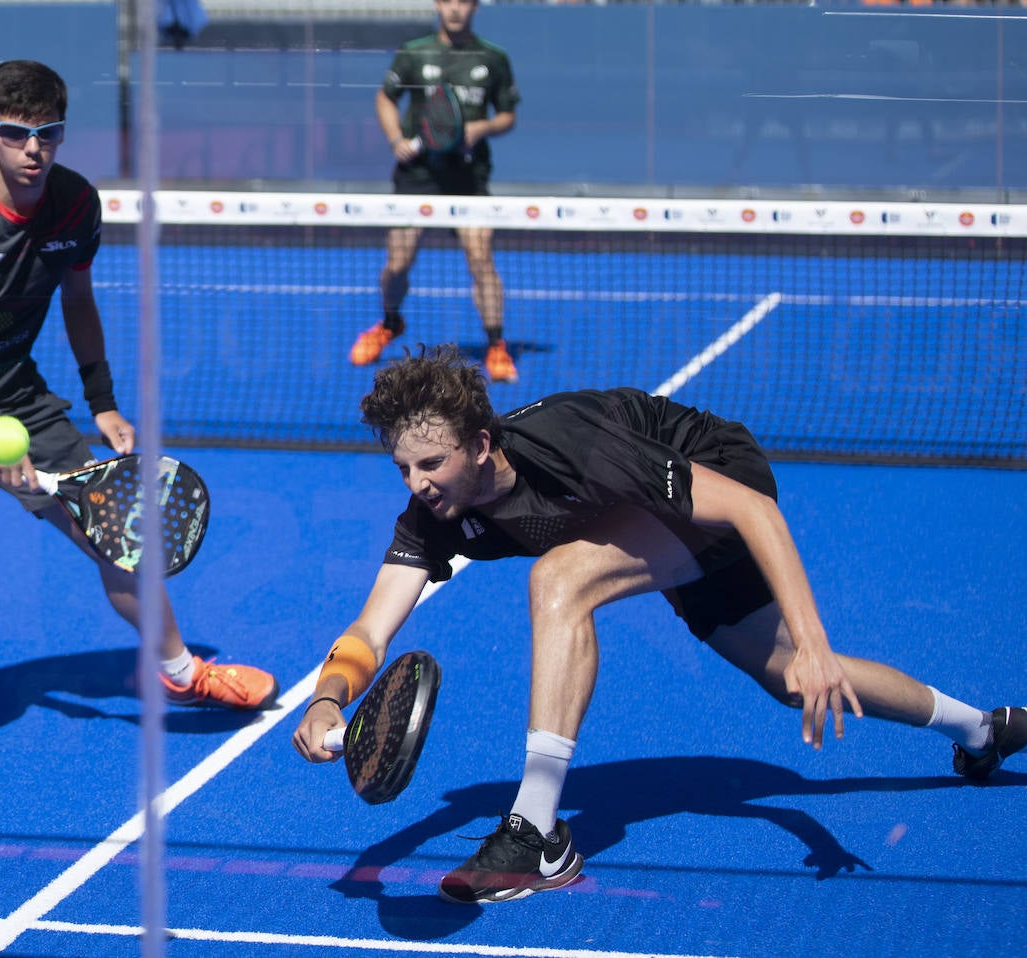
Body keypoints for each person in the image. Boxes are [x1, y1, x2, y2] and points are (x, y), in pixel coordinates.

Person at [293, 344, 1025, 904]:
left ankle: (536, 833)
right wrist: (330, 696)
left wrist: (815, 637)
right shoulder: (435, 513)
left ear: (481, 445)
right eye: (402, 468)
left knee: (561, 581)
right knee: (794, 683)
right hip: (629, 520)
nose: (418, 482)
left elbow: (751, 510)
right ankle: (983, 730)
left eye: (431, 462)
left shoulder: (573, 447)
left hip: (711, 475)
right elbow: (371, 626)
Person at [0, 60, 277, 779]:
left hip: (17, 397)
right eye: (17, 134)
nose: (34, 149)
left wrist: (104, 403)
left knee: (117, 529)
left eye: (48, 134)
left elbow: (78, 303)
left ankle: (181, 674)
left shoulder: (75, 205)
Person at [351, 0, 522, 383]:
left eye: (463, 1)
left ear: (474, 5)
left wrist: (482, 128)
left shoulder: (492, 58)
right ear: (436, 3)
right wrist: (396, 139)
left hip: (468, 175)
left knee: (481, 259)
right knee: (397, 264)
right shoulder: (414, 53)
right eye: (447, 0)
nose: (455, 8)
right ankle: (390, 323)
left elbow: (508, 115)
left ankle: (497, 345)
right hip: (418, 174)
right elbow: (384, 98)